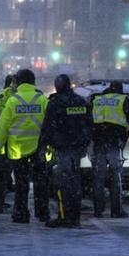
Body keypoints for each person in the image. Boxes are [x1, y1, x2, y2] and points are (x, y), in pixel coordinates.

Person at [0, 69, 49, 223]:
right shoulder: (42, 99)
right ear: (33, 81)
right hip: (38, 149)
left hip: (17, 150)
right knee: (41, 184)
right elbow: (49, 123)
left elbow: (3, 126)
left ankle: (20, 213)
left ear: (18, 82)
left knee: (21, 184)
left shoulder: (12, 101)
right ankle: (42, 212)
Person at [40, 74, 92, 228]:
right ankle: (74, 217)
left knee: (62, 184)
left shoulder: (56, 103)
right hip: (76, 149)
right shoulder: (81, 102)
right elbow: (89, 125)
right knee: (75, 183)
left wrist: (43, 146)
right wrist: (83, 144)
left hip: (62, 148)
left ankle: (65, 217)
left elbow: (47, 126)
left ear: (58, 86)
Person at [90, 81, 129, 218]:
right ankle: (116, 210)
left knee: (98, 178)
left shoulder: (97, 99)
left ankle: (98, 210)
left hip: (98, 142)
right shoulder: (123, 99)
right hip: (114, 142)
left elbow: (89, 119)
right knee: (115, 176)